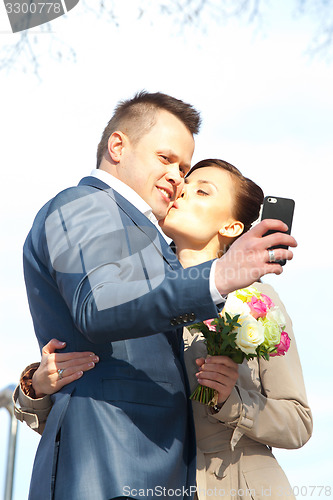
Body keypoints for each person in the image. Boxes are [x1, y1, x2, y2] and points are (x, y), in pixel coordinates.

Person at [19, 89, 297, 500]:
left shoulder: (155, 242)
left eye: (183, 167)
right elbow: (100, 305)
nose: (176, 177)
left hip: (167, 471)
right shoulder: (86, 204)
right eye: (165, 159)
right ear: (118, 146)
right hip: (110, 465)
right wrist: (219, 275)